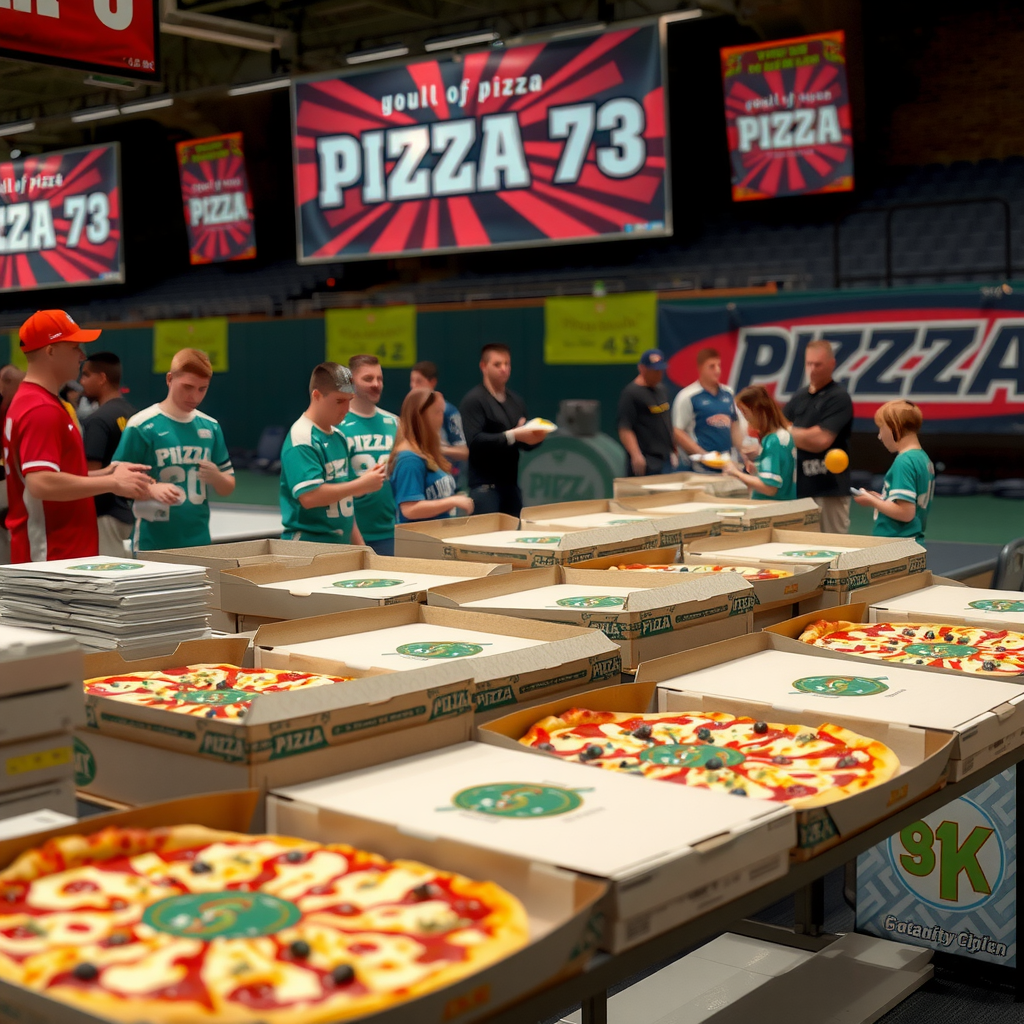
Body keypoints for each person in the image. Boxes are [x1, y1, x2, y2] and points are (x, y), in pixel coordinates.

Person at [2, 310, 154, 562]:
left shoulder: (39, 402)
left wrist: (109, 472)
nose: (82, 356)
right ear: (50, 350)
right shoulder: (40, 408)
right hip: (50, 557)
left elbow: (55, 475)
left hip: (57, 554)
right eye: (75, 347)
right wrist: (112, 483)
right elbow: (41, 483)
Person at [113, 347, 235, 551]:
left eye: (202, 389)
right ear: (170, 379)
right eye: (187, 386)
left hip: (199, 541)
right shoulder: (141, 424)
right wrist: (150, 488)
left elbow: (227, 487)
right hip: (152, 543)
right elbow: (117, 477)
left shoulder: (211, 427)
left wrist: (216, 477)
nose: (194, 396)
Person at [279, 363, 385, 544]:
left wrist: (362, 548)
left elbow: (346, 503)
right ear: (317, 396)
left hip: (339, 546)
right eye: (339, 401)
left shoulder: (339, 437)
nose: (346, 409)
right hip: (307, 547)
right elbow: (310, 497)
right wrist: (361, 485)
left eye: (349, 400)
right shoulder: (303, 437)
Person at [460, 343, 546, 517]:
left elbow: (522, 444)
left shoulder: (516, 401)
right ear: (483, 366)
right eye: (497, 364)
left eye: (507, 364)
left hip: (511, 487)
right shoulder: (474, 401)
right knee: (486, 541)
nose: (504, 369)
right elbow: (475, 442)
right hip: (485, 489)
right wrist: (512, 435)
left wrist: (534, 437)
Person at [783, 339, 854, 534]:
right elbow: (778, 433)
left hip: (830, 488)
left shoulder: (838, 397)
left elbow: (820, 440)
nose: (812, 369)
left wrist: (788, 431)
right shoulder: (799, 397)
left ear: (832, 364)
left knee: (834, 547)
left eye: (818, 364)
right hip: (801, 489)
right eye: (809, 364)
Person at [339, 354, 398, 557]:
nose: (376, 384)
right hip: (348, 534)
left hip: (389, 532)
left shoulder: (394, 423)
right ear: (351, 382)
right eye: (368, 378)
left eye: (379, 378)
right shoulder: (337, 425)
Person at [389, 388, 475, 523]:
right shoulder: (409, 459)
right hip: (419, 542)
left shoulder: (427, 453)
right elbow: (410, 509)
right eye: (438, 412)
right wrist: (452, 501)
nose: (441, 418)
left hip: (437, 537)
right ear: (422, 416)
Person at [80, 352, 137, 557]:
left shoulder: (97, 420)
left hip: (103, 516)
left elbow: (89, 477)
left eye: (86, 375)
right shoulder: (134, 415)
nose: (81, 381)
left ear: (102, 378)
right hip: (128, 512)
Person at [854, 400, 934, 543]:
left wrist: (872, 501)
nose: (879, 436)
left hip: (895, 544)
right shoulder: (922, 458)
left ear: (894, 427)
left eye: (881, 428)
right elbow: (910, 502)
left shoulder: (903, 461)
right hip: (913, 543)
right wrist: (882, 499)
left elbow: (906, 513)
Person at [672, 347, 747, 470]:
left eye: (719, 365)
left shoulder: (728, 393)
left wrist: (742, 451)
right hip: (700, 468)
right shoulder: (687, 396)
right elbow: (677, 432)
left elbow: (734, 425)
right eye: (712, 366)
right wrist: (705, 455)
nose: (717, 370)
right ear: (700, 368)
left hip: (728, 464)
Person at [721, 385, 796, 500]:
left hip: (774, 509)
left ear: (758, 410)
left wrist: (736, 473)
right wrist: (758, 470)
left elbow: (770, 488)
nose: (745, 419)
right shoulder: (784, 435)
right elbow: (780, 474)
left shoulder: (773, 441)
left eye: (745, 412)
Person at [617, 348, 678, 476]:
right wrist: (636, 455)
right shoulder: (631, 393)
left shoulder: (662, 389)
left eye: (660, 370)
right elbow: (625, 428)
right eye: (654, 371)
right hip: (646, 460)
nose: (658, 374)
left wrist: (673, 447)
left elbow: (666, 421)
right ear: (642, 368)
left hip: (665, 458)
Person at [410, 360, 468, 482]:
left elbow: (464, 452)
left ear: (433, 382)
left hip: (445, 478)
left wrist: (434, 448)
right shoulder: (410, 410)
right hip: (419, 475)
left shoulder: (448, 411)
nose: (414, 386)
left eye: (419, 381)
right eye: (412, 381)